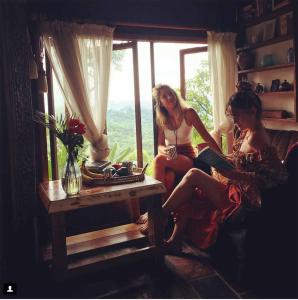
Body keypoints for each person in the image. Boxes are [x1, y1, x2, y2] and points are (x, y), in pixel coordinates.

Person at [140, 83, 288, 251]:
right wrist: (220, 158)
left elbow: (277, 176)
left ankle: (159, 216)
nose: (234, 122)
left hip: (242, 197)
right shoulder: (246, 132)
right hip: (234, 187)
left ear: (252, 111)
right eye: (233, 117)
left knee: (193, 175)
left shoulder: (259, 139)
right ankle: (174, 239)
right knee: (191, 184)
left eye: (237, 116)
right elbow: (241, 160)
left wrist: (233, 174)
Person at [137, 84, 221, 225]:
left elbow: (207, 137)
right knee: (168, 177)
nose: (169, 97)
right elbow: (160, 145)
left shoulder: (188, 113)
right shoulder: (162, 119)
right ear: (160, 102)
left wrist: (222, 158)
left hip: (187, 157)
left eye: (170, 93)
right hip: (170, 156)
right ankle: (167, 219)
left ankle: (154, 211)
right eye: (164, 96)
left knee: (158, 161)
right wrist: (168, 152)